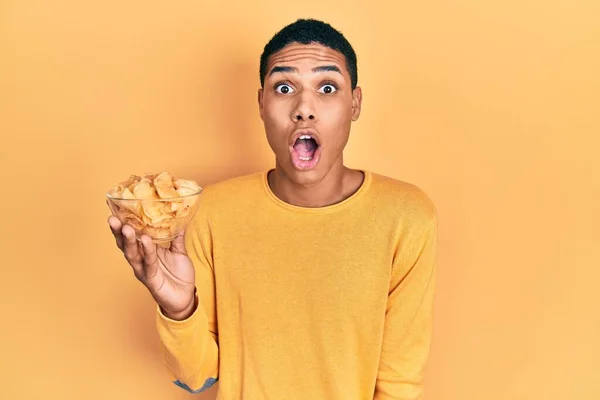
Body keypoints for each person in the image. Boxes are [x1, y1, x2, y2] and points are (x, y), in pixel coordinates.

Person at [108, 18, 438, 400]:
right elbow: (198, 379)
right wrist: (179, 308)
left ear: (355, 104)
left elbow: (399, 385)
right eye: (284, 87)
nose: (304, 109)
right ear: (262, 104)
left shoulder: (407, 217)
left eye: (327, 87)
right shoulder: (209, 212)